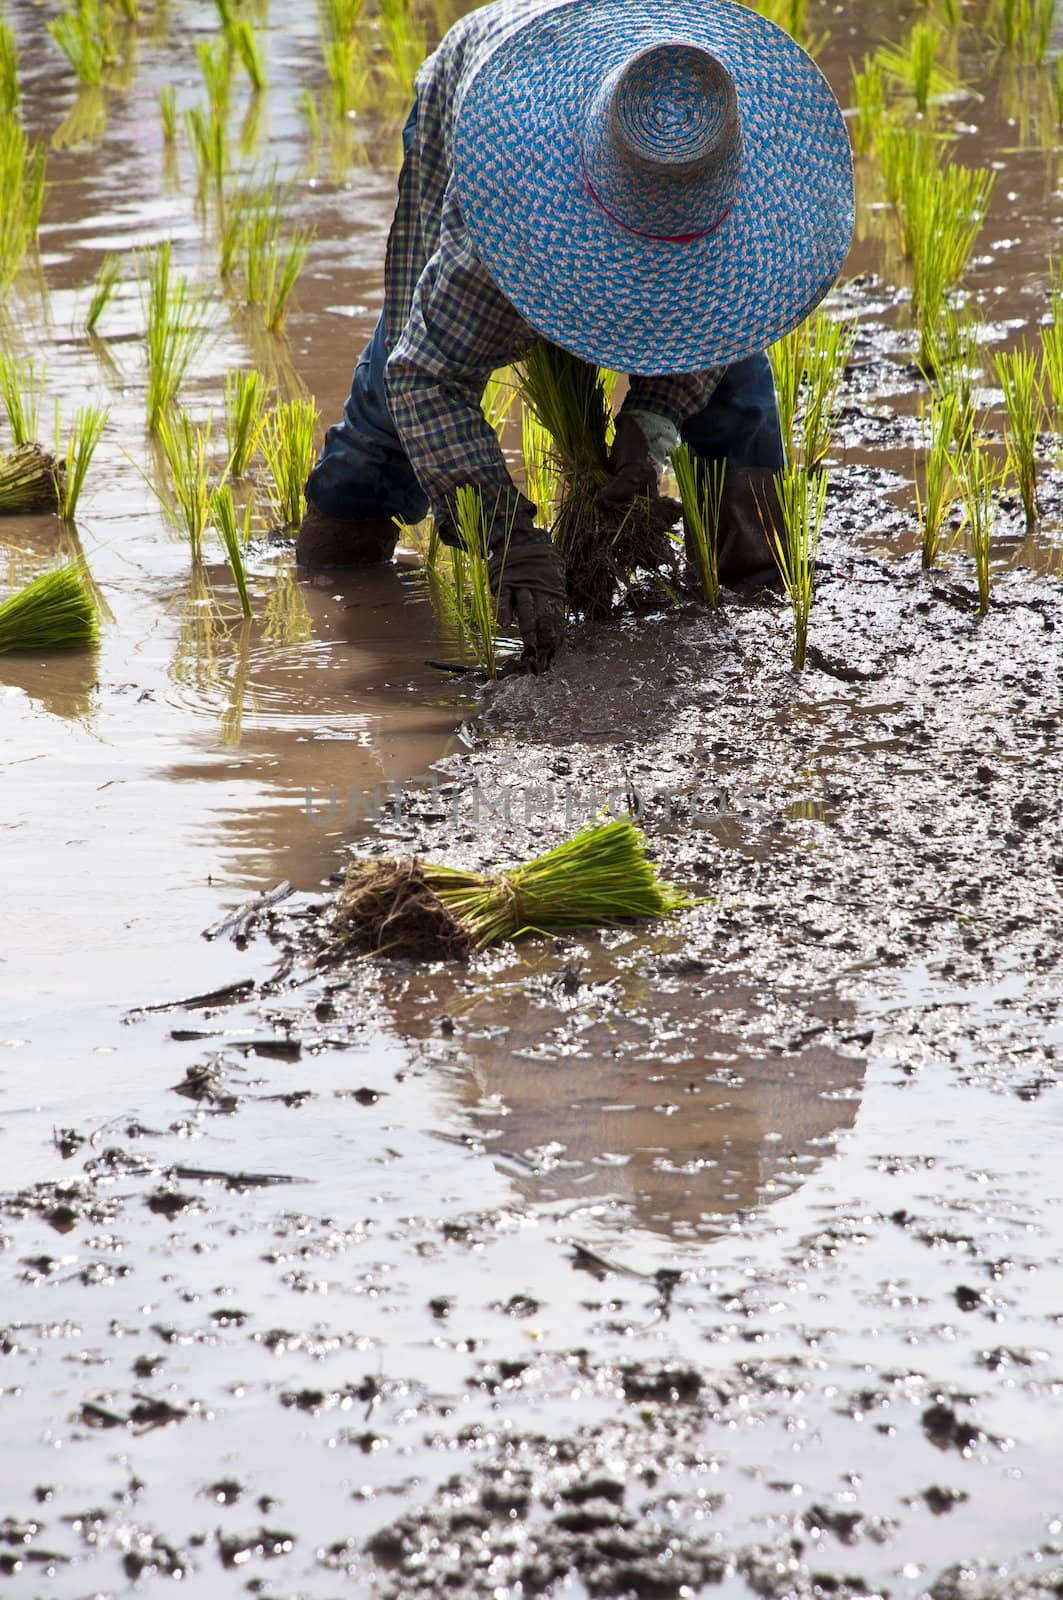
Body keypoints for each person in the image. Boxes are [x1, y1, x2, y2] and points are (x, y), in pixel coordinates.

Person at [298, 0, 854, 671]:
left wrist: (647, 432)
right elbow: (425, 375)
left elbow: (721, 321)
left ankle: (753, 594)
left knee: (732, 375)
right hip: (483, 99)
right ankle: (338, 590)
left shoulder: (724, 162)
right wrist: (506, 535)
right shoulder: (497, 234)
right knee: (393, 392)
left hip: (642, 150)